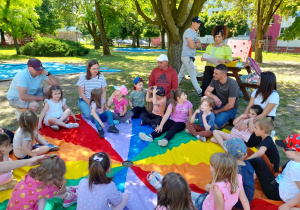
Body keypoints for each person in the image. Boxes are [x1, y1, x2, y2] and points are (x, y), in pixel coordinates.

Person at [246, 134, 300, 210]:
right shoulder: (296, 159)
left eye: (285, 148)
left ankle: (238, 167)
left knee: (258, 161)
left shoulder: (295, 168)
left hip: (277, 193)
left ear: (297, 153)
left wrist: (288, 205)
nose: (283, 149)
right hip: (280, 184)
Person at [7, 155, 77, 209]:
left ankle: (69, 190)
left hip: (13, 207)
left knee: (44, 193)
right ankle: (69, 197)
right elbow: (59, 191)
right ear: (50, 176)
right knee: (50, 192)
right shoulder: (44, 188)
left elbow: (42, 192)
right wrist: (65, 191)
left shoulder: (30, 174)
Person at [236, 71, 279, 147]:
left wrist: (248, 123)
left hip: (265, 119)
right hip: (253, 115)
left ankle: (269, 132)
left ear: (265, 82)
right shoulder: (256, 91)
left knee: (249, 143)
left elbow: (264, 114)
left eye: (259, 78)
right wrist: (244, 116)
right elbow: (249, 106)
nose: (257, 79)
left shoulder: (274, 96)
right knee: (238, 132)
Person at [224, 138, 256, 210]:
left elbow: (227, 187)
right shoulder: (248, 164)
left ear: (228, 154)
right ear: (245, 154)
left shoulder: (232, 170)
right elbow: (254, 176)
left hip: (238, 204)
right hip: (248, 199)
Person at [204, 64, 239, 129]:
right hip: (219, 104)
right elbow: (206, 92)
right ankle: (220, 117)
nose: (213, 75)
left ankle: (226, 117)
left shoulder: (233, 84)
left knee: (213, 126)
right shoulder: (215, 79)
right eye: (214, 72)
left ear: (223, 75)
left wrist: (217, 111)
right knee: (204, 99)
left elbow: (231, 105)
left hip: (231, 108)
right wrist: (214, 97)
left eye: (216, 73)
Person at [200, 25, 232, 95]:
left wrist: (224, 61)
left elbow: (230, 59)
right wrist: (203, 58)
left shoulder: (226, 47)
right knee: (205, 85)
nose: (217, 39)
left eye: (219, 37)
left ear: (223, 37)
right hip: (208, 68)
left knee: (215, 87)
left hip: (218, 70)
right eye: (215, 37)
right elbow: (206, 55)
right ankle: (204, 101)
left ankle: (213, 103)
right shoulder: (209, 46)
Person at [178, 16, 203, 97]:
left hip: (189, 57)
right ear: (193, 22)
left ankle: (172, 88)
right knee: (193, 74)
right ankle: (200, 92)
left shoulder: (194, 33)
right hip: (187, 57)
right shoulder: (188, 32)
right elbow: (193, 46)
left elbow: (198, 44)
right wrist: (195, 44)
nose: (199, 25)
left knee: (181, 74)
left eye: (199, 23)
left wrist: (194, 44)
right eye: (197, 23)